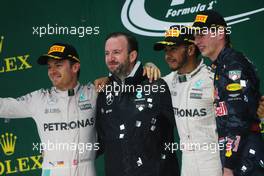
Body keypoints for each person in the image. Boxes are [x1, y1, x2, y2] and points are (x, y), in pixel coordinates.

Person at [0, 43, 98, 176]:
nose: (52, 72)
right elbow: (4, 106)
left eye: (58, 65)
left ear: (75, 67)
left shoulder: (93, 93)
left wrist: (109, 80)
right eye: (49, 67)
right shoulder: (39, 99)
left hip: (86, 170)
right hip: (53, 170)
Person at [96, 32, 180, 176]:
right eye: (107, 53)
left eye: (116, 52)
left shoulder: (156, 85)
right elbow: (101, 141)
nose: (110, 58)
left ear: (132, 56)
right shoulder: (103, 91)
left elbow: (185, 129)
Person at [192, 10, 264, 176]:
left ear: (220, 33)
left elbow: (238, 119)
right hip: (242, 154)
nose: (197, 41)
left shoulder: (232, 64)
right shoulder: (223, 64)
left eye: (202, 34)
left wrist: (229, 166)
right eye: (195, 36)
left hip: (245, 158)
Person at [153, 25, 222, 176]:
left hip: (213, 160)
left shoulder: (213, 79)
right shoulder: (166, 83)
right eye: (166, 50)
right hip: (187, 161)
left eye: (173, 49)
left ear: (190, 50)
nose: (167, 55)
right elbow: (137, 86)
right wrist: (147, 67)